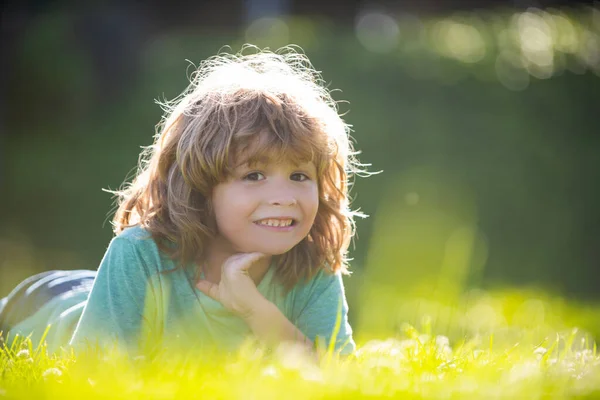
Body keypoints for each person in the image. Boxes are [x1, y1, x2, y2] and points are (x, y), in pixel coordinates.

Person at [0, 45, 369, 358]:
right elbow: (95, 376)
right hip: (47, 303)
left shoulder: (311, 265)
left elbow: (336, 380)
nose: (283, 197)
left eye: (300, 176)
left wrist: (254, 309)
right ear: (200, 186)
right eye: (253, 175)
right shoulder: (139, 255)